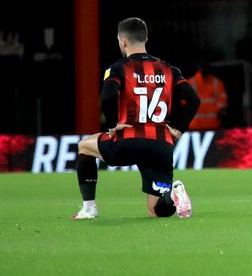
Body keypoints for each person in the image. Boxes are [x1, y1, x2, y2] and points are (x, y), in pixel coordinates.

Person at [71, 17, 200, 219]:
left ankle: (89, 208)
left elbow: (106, 96)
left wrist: (113, 124)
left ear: (122, 41)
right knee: (156, 212)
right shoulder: (169, 69)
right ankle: (173, 195)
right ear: (146, 38)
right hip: (161, 145)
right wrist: (178, 129)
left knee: (84, 146)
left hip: (128, 141)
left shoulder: (118, 68)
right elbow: (193, 100)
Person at [189, 63, 229, 130]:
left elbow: (222, 101)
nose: (203, 69)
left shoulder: (216, 82)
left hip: (213, 125)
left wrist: (220, 111)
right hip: (195, 126)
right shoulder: (191, 82)